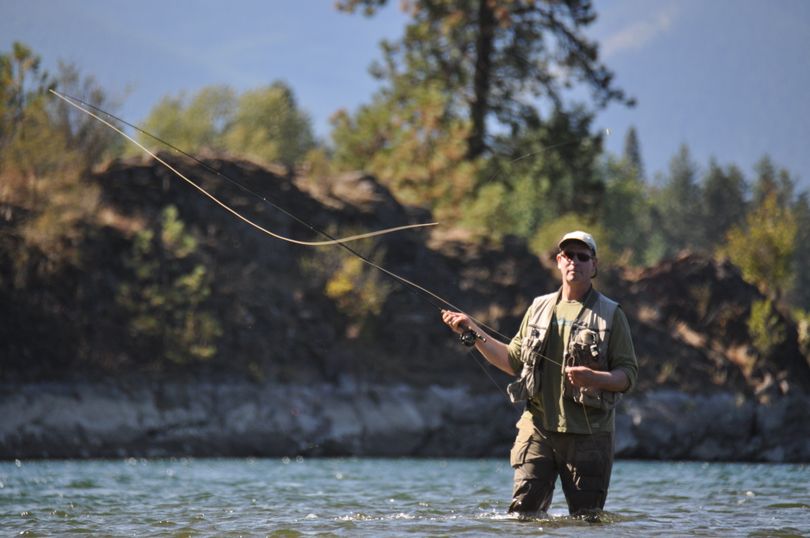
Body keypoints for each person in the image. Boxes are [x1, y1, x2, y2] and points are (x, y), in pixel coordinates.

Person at [441, 230, 637, 519]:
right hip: (537, 430)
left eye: (583, 257)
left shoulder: (611, 314)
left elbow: (627, 376)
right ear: (559, 261)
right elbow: (512, 361)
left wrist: (595, 378)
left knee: (587, 520)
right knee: (523, 517)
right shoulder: (539, 307)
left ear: (594, 266)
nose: (575, 262)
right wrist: (473, 330)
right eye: (568, 255)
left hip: (589, 437)